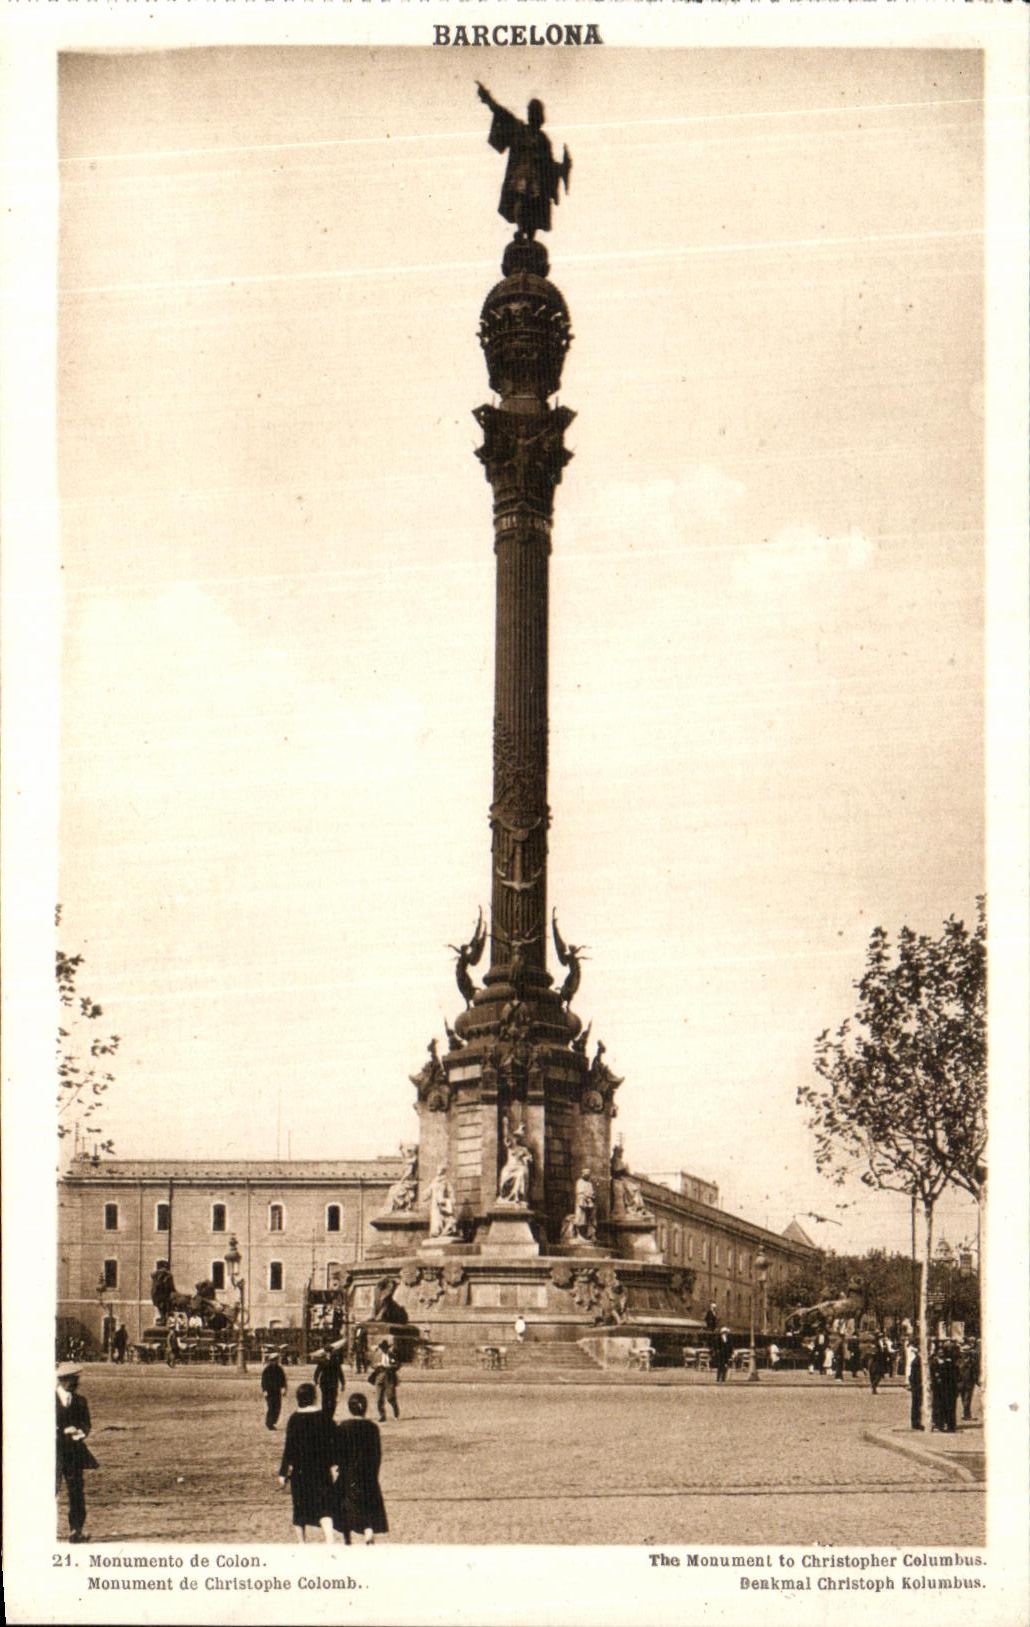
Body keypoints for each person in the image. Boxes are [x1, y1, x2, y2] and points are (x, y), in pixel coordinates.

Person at [476, 83, 571, 241]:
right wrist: (487, 99)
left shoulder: (543, 140)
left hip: (536, 178)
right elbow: (501, 113)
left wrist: (563, 167)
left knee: (535, 205)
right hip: (520, 173)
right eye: (531, 112)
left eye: (535, 112)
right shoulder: (519, 129)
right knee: (519, 199)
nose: (533, 115)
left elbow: (549, 165)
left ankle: (530, 237)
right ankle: (521, 230)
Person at [278, 1383, 335, 1543]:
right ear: (315, 1397)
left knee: (300, 1509)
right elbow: (335, 1443)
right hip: (322, 1470)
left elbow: (289, 1448)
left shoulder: (294, 1419)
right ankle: (330, 1542)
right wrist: (335, 1464)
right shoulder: (325, 1417)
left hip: (300, 1471)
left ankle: (302, 1544)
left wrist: (283, 1472)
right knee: (325, 1508)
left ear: (298, 1399)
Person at [332, 1393, 389, 1546]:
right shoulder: (372, 1428)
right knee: (369, 1505)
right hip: (368, 1474)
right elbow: (377, 1453)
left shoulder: (343, 1427)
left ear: (350, 1409)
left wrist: (339, 1465)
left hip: (348, 1473)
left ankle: (347, 1538)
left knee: (342, 1507)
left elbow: (337, 1452)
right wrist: (373, 1472)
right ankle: (368, 1532)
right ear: (365, 1408)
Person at [56, 1361, 98, 1543]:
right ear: (63, 1380)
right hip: (53, 1451)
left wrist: (80, 1432)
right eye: (73, 1380)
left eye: (76, 1380)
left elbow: (86, 1424)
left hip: (73, 1451)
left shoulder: (80, 1401)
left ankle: (76, 1530)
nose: (76, 1384)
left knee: (76, 1491)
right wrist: (61, 1431)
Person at [313, 1343, 345, 1422]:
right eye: (328, 1352)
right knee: (325, 1400)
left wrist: (343, 1383)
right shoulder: (322, 1360)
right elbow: (317, 1371)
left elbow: (340, 1372)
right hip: (325, 1383)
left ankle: (330, 1415)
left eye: (330, 1351)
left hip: (333, 1383)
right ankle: (325, 1415)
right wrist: (315, 1380)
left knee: (333, 1400)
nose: (329, 1353)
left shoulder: (335, 1360)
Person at [370, 1340, 400, 1422]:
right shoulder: (377, 1355)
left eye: (385, 1348)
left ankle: (396, 1412)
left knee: (390, 1397)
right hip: (379, 1377)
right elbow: (372, 1364)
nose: (384, 1350)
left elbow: (397, 1365)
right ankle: (382, 1415)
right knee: (379, 1399)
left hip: (389, 1377)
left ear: (387, 1348)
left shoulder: (392, 1355)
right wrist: (377, 1365)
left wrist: (390, 1366)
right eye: (382, 1348)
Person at [261, 1349, 289, 1430]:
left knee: (277, 1407)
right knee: (271, 1407)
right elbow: (264, 1381)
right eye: (275, 1360)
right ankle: (269, 1422)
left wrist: (284, 1388)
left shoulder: (279, 1369)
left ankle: (273, 1422)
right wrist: (264, 1390)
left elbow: (283, 1379)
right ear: (271, 1361)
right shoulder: (267, 1370)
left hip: (277, 1391)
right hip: (269, 1392)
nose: (276, 1361)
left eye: (276, 1360)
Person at [957, 1339, 980, 1421]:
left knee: (967, 1398)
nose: (966, 1352)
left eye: (967, 1350)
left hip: (968, 1382)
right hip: (963, 1382)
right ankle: (966, 1414)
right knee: (966, 1398)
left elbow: (975, 1371)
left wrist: (976, 1380)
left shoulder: (970, 1361)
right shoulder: (960, 1360)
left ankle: (966, 1414)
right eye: (965, 1351)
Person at [909, 1348, 924, 1430]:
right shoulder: (917, 1362)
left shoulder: (918, 1360)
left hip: (917, 1385)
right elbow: (914, 1376)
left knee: (917, 1404)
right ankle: (916, 1423)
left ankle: (917, 1422)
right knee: (916, 1405)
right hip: (917, 1386)